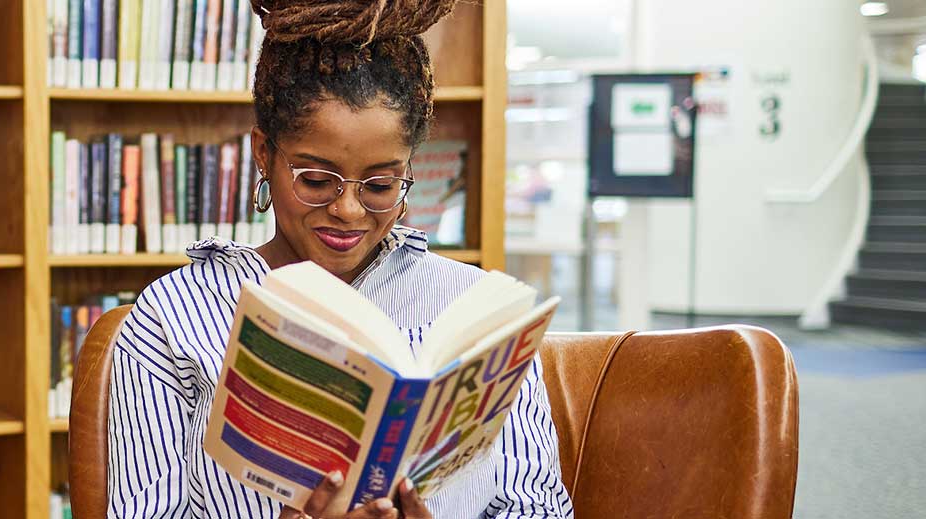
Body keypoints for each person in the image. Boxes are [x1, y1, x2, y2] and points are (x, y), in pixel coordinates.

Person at [104, 1, 575, 518]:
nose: (348, 210)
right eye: (315, 180)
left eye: (380, 185)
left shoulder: (478, 316)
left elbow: (539, 509)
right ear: (264, 153)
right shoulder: (174, 316)